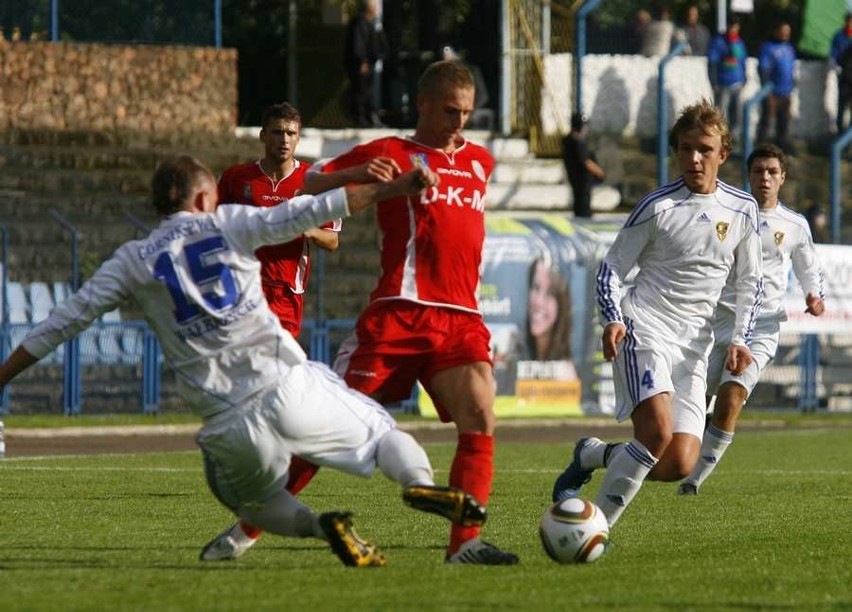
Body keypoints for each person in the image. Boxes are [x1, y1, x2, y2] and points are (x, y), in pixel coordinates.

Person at [0, 155, 488, 568]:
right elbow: (310, 210)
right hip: (286, 385)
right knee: (383, 434)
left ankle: (324, 526)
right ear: (200, 200)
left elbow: (62, 322)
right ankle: (420, 484)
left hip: (228, 423)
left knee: (253, 502)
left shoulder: (131, 260)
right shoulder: (228, 222)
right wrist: (398, 186)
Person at [303, 60, 519, 565]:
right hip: (400, 312)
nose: (460, 122)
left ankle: (464, 546)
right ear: (422, 104)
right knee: (328, 424)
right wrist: (358, 174)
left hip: (460, 316)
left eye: (467, 112)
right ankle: (252, 522)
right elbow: (310, 179)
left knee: (481, 416)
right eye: (450, 111)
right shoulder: (390, 151)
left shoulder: (481, 161)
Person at [551, 100, 764, 535]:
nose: (694, 158)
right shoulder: (657, 206)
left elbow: (750, 283)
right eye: (685, 149)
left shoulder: (743, 210)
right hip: (646, 327)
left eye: (704, 149)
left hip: (695, 348)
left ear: (723, 154)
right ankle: (593, 533)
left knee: (678, 462)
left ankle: (592, 455)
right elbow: (611, 268)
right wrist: (612, 319)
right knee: (655, 435)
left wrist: (740, 338)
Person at [201, 102, 339, 560]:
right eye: (278, 131)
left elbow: (333, 238)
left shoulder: (312, 183)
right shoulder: (238, 180)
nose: (284, 139)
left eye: (292, 133)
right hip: (241, 298)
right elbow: (215, 227)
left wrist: (301, 224)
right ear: (263, 134)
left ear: (299, 138)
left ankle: (261, 465)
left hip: (284, 303)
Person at [679, 144, 825, 496]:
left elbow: (809, 266)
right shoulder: (727, 213)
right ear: (748, 175)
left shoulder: (794, 225)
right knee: (695, 397)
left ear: (783, 177)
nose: (765, 178)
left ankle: (693, 481)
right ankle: (679, 452)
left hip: (762, 325)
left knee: (731, 397)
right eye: (759, 171)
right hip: (717, 320)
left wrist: (813, 294)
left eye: (772, 171)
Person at [344, 0, 388, 127]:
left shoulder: (370, 24)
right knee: (360, 91)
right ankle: (360, 118)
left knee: (366, 91)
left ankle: (367, 117)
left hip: (367, 63)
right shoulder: (360, 23)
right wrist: (361, 61)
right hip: (361, 65)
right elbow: (358, 44)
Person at [525, 257, 575, 366]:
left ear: (562, 303)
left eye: (550, 293)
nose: (538, 301)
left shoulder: (565, 372)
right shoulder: (522, 353)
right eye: (536, 287)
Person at [757, 22, 797, 152]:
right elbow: (763, 69)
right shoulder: (768, 47)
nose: (785, 34)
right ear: (776, 31)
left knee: (784, 122)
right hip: (772, 93)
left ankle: (782, 148)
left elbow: (791, 68)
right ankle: (760, 147)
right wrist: (766, 90)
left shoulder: (789, 48)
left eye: (787, 31)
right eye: (782, 31)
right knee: (767, 121)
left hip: (786, 92)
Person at [561, 112, 606, 218]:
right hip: (582, 180)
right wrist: (600, 172)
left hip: (576, 179)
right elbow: (586, 161)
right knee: (583, 208)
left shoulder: (568, 140)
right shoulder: (576, 142)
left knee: (579, 203)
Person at [707, 16, 747, 134]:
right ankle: (720, 137)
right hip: (723, 83)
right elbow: (712, 63)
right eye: (731, 26)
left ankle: (734, 139)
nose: (733, 29)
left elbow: (742, 61)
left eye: (735, 26)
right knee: (721, 115)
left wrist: (744, 77)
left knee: (737, 114)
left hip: (737, 83)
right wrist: (713, 81)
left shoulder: (739, 42)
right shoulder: (718, 41)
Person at [829, 13, 852, 133]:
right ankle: (840, 132)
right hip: (844, 77)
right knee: (842, 105)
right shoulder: (839, 36)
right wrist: (836, 67)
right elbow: (833, 55)